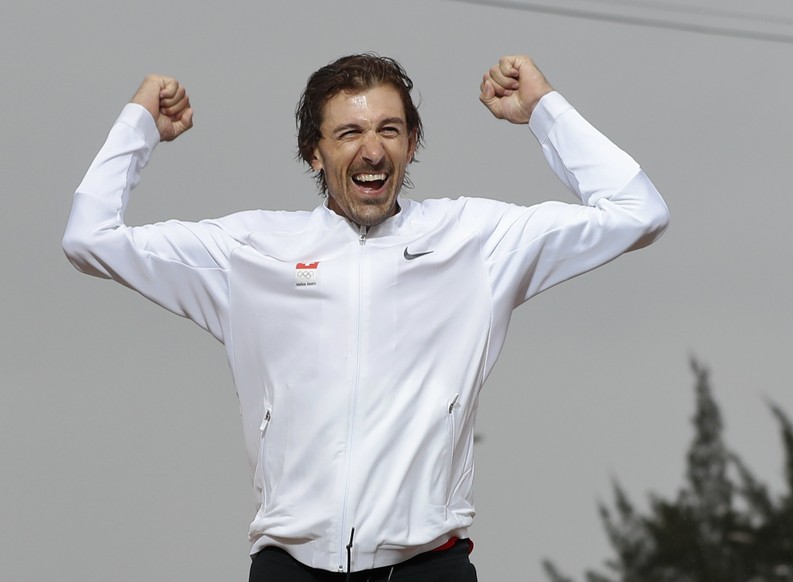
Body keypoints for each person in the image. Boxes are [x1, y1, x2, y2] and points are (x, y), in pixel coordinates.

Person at [63, 54, 669, 581]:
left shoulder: (477, 240)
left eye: (389, 129)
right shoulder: (247, 250)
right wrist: (139, 124)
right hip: (288, 569)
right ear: (314, 151)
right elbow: (89, 238)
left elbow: (638, 211)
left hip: (432, 567)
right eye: (348, 132)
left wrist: (542, 109)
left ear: (411, 144)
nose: (372, 149)